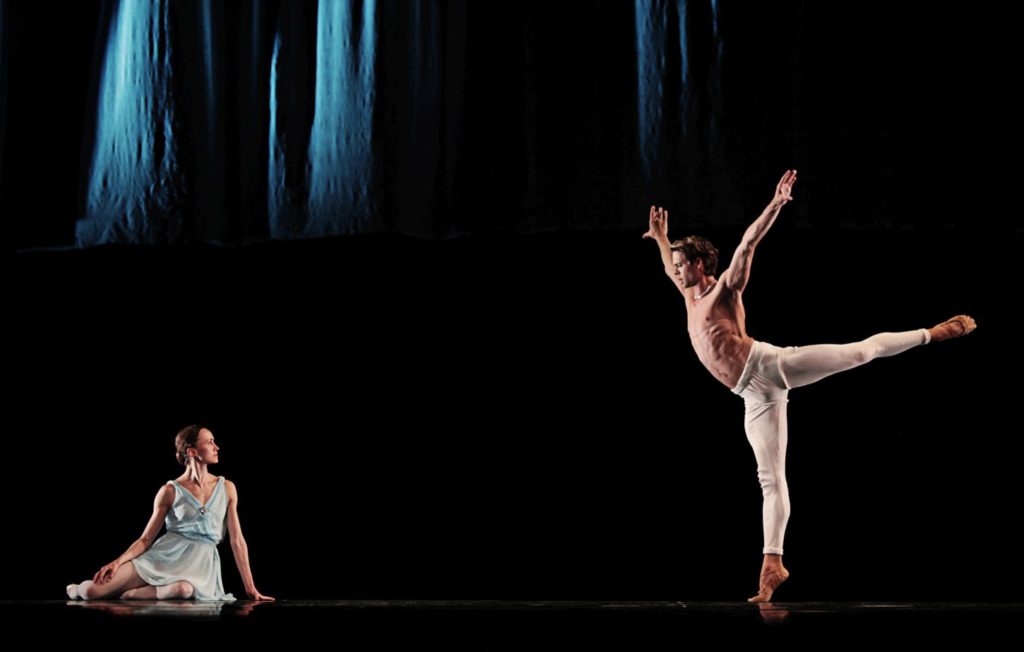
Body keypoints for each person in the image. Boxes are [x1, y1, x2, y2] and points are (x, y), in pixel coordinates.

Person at [643, 170, 976, 602]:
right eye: (674, 266)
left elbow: (747, 245)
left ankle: (934, 333)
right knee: (771, 479)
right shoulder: (689, 294)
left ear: (702, 265)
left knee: (860, 352)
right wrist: (661, 240)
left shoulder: (725, 289)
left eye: (681, 265)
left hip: (770, 365)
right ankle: (772, 564)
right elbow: (670, 266)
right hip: (751, 395)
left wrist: (775, 204)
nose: (675, 272)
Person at [66, 425, 274, 601]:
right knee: (90, 592)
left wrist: (250, 587)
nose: (216, 447)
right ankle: (76, 588)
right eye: (210, 442)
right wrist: (117, 562)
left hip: (199, 565)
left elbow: (237, 541)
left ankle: (132, 595)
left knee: (184, 589)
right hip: (162, 557)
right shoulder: (170, 491)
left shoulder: (227, 487)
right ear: (192, 452)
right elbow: (146, 539)